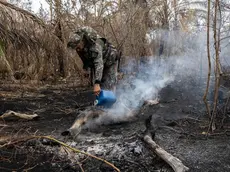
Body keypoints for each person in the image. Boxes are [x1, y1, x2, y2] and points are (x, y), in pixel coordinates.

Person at [67, 26, 119, 95]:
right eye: (75, 48)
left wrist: (97, 83)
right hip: (102, 61)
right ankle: (102, 103)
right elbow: (85, 59)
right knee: (102, 85)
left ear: (82, 41)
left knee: (110, 83)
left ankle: (114, 103)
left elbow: (99, 64)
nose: (77, 49)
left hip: (110, 59)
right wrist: (86, 69)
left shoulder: (95, 46)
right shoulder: (81, 48)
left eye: (77, 46)